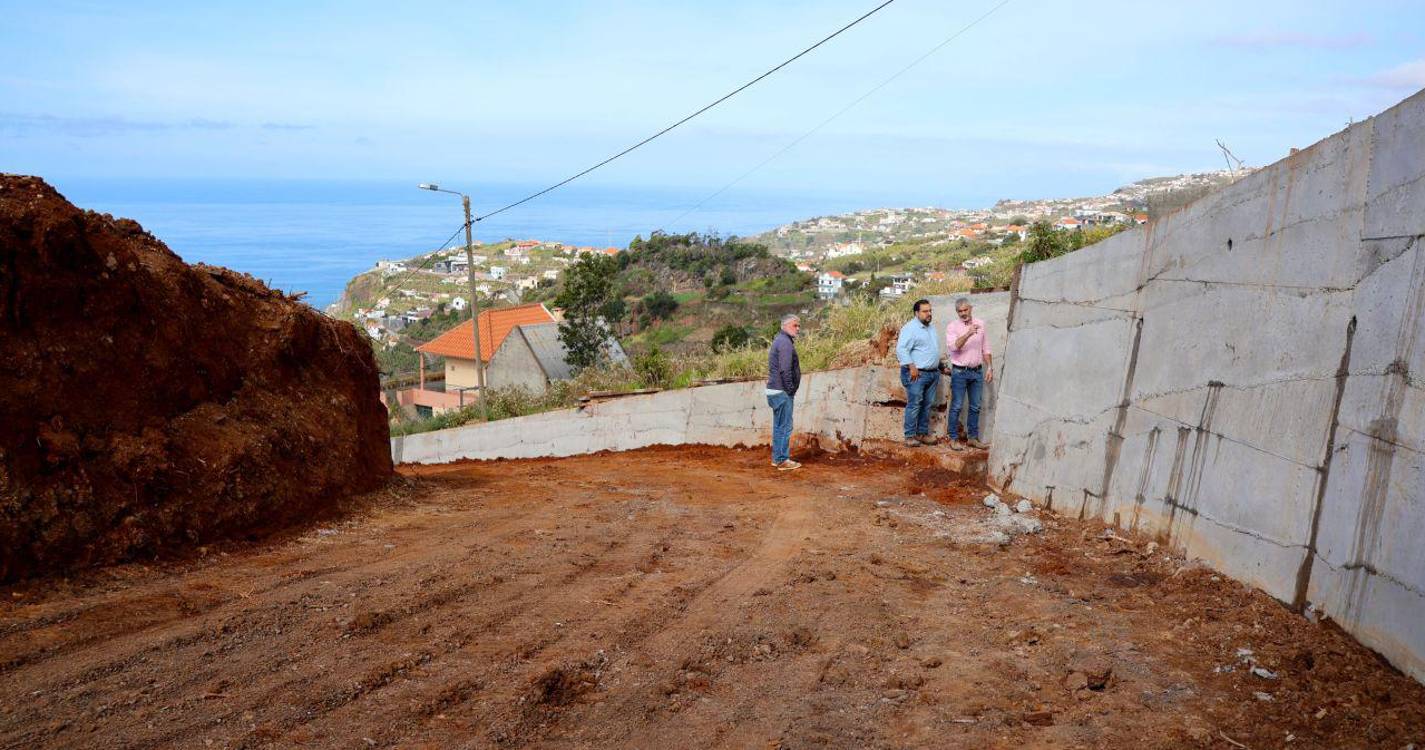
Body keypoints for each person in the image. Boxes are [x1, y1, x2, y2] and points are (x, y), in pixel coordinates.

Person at [944, 297, 993, 450]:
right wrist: (968, 334)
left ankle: (972, 438)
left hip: (977, 372)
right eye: (960, 311)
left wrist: (990, 368)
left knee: (975, 406)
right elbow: (954, 347)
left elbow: (986, 348)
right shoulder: (952, 327)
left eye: (965, 310)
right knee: (957, 406)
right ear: (957, 312)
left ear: (971, 308)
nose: (963, 313)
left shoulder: (981, 324)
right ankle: (953, 438)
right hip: (959, 372)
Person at [895, 299, 941, 448]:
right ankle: (909, 436)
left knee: (927, 405)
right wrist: (911, 366)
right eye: (925, 311)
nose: (929, 314)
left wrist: (940, 366)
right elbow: (901, 349)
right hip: (917, 374)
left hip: (932, 373)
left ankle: (922, 434)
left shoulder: (931, 328)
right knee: (914, 404)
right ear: (916, 313)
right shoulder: (910, 328)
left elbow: (930, 350)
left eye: (930, 311)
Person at [765, 314, 802, 470]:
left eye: (798, 326)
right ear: (785, 326)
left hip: (775, 390)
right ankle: (782, 460)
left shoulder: (780, 340)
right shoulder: (785, 343)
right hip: (782, 391)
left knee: (779, 426)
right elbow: (785, 370)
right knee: (785, 426)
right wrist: (790, 389)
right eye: (795, 325)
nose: (798, 329)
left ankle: (777, 458)